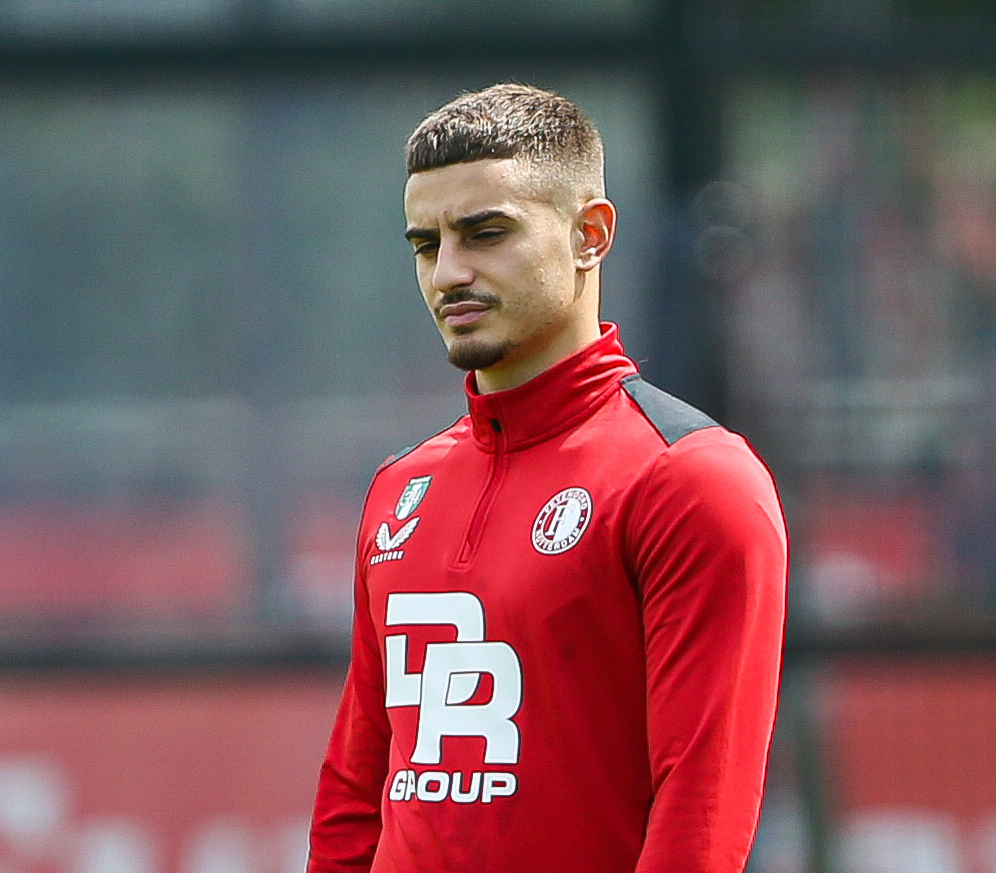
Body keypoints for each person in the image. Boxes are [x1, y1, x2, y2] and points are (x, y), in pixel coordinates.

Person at [305, 84, 787, 873]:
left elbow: (700, 815)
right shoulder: (399, 489)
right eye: (426, 245)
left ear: (589, 234)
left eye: (485, 233)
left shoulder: (691, 478)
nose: (448, 272)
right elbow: (356, 792)